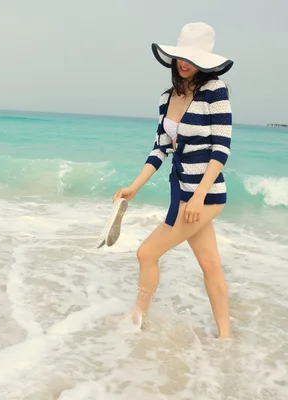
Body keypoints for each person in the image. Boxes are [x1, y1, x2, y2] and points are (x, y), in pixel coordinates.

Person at [113, 22, 234, 338]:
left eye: (193, 58)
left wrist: (198, 197)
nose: (185, 63)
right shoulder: (167, 98)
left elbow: (221, 149)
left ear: (205, 62)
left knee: (146, 252)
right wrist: (133, 187)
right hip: (181, 192)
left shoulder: (215, 91)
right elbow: (160, 148)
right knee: (210, 264)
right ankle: (226, 336)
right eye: (182, 56)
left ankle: (136, 317)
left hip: (204, 196)